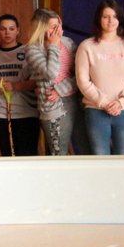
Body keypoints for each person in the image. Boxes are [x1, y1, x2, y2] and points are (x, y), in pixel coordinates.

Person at [76, 0, 124, 156]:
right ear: (99, 19)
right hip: (96, 110)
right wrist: (104, 102)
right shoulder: (87, 46)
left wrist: (121, 102)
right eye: (106, 17)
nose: (111, 21)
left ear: (120, 18)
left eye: (114, 16)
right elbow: (82, 80)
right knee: (100, 156)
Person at [24, 9, 84, 155]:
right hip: (53, 107)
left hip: (75, 100)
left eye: (59, 25)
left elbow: (81, 74)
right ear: (41, 28)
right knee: (58, 152)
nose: (57, 30)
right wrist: (53, 46)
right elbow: (51, 74)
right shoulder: (33, 49)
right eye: (52, 27)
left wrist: (61, 89)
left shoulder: (68, 43)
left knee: (84, 148)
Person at [0, 14, 40, 156]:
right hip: (0, 113)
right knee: (7, 155)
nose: (7, 32)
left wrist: (15, 86)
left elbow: (37, 82)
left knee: (27, 155)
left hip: (26, 112)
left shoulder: (29, 51)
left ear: (18, 30)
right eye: (3, 29)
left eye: (11, 29)